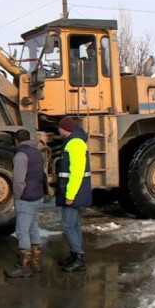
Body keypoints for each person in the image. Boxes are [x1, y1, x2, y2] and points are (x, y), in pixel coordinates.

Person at [4, 129, 46, 278]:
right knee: (34, 228)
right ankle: (35, 263)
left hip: (26, 198)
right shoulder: (37, 152)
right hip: (38, 196)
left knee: (22, 231)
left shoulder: (21, 155)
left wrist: (17, 197)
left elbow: (19, 181)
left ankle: (23, 266)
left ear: (17, 140)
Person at [56, 116, 92, 272]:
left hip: (73, 191)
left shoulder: (75, 143)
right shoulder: (75, 141)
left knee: (68, 225)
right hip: (74, 190)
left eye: (60, 128)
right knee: (75, 224)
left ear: (66, 129)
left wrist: (70, 195)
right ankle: (75, 254)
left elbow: (76, 172)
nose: (58, 130)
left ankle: (78, 257)